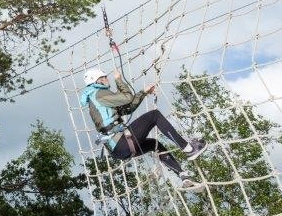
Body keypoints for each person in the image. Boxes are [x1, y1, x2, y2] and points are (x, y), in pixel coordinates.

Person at [80, 68, 209, 190]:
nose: (107, 79)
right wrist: (118, 80)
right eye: (104, 77)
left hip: (118, 150)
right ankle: (189, 149)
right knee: (155, 115)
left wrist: (143, 93)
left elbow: (127, 108)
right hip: (121, 141)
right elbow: (127, 97)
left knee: (154, 144)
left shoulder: (96, 98)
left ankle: (183, 176)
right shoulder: (99, 93)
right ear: (98, 80)